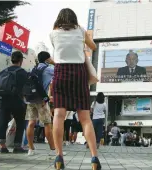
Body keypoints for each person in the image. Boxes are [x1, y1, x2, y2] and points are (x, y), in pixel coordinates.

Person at [50, 8, 101, 170]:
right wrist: (83, 42)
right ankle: (94, 158)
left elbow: (58, 50)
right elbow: (93, 46)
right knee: (85, 117)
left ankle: (59, 156)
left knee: (58, 115)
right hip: (78, 73)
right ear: (74, 19)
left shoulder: (53, 33)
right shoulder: (80, 30)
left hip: (60, 73)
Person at [0, 51, 28, 153]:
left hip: (4, 99)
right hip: (17, 100)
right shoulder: (22, 72)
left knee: (3, 122)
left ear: (11, 59)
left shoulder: (5, 71)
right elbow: (27, 86)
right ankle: (17, 146)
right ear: (21, 60)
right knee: (20, 122)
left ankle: (2, 146)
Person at [25, 51, 58, 156]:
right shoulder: (49, 69)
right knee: (47, 124)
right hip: (42, 101)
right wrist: (54, 62)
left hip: (30, 99)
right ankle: (53, 150)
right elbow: (60, 71)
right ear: (47, 59)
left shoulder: (32, 69)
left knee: (31, 123)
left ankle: (31, 149)